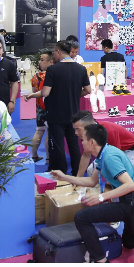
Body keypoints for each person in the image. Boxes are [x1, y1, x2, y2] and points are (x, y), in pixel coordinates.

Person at [51, 123, 134, 263]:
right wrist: (65, 177)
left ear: (92, 142)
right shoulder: (104, 154)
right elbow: (92, 181)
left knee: (81, 217)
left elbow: (129, 185)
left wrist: (101, 197)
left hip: (133, 204)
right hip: (131, 202)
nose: (81, 143)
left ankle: (100, 260)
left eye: (83, 139)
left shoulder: (109, 158)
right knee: (127, 241)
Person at [42, 40, 91, 174]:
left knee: (57, 145)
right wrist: (75, 95)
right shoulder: (81, 68)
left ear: (58, 52)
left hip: (56, 113)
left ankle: (60, 173)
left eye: (54, 52)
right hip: (73, 113)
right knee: (74, 144)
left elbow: (45, 93)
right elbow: (88, 90)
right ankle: (77, 172)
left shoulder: (53, 69)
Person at [71, 110, 134, 176]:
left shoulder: (109, 131)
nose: (75, 133)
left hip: (130, 149)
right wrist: (78, 178)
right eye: (75, 129)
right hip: (108, 151)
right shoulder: (84, 133)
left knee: (119, 175)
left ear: (89, 125)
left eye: (78, 129)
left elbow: (116, 158)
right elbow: (86, 155)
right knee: (91, 171)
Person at [23, 49, 53, 162]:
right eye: (40, 60)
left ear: (50, 61)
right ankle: (48, 158)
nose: (39, 62)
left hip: (39, 108)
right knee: (49, 133)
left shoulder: (35, 77)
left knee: (39, 131)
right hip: (50, 108)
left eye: (42, 60)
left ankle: (34, 155)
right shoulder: (52, 76)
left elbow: (34, 91)